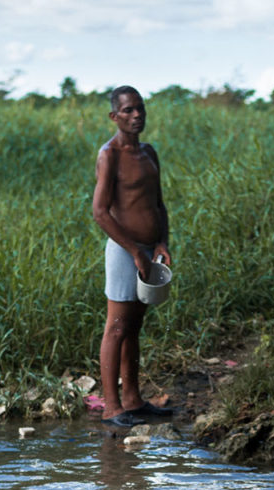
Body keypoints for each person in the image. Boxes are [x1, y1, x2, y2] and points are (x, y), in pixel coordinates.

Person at [91, 85, 173, 428]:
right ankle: (112, 408)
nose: (136, 115)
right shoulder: (110, 154)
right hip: (125, 251)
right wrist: (135, 250)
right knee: (117, 327)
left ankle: (133, 400)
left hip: (149, 251)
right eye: (128, 110)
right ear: (114, 116)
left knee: (135, 327)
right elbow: (99, 212)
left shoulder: (149, 153)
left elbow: (158, 204)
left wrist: (161, 243)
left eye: (140, 109)